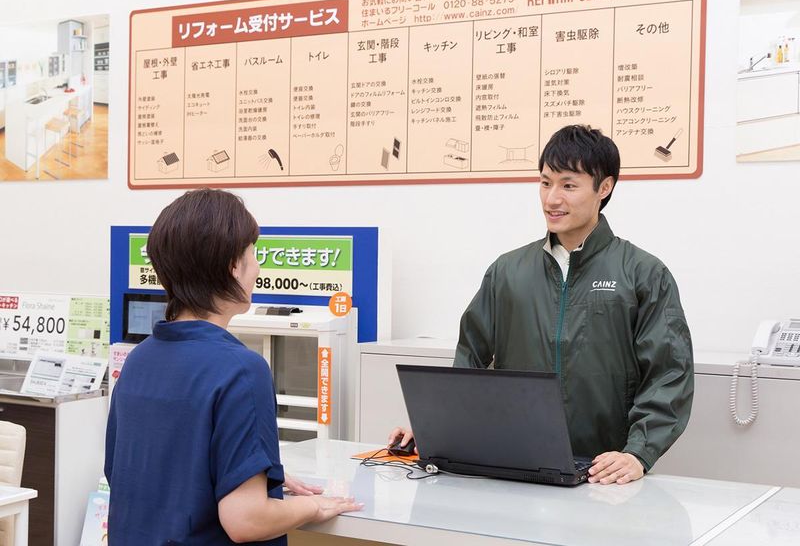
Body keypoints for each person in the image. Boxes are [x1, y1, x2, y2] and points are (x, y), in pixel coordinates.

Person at [390, 125, 694, 485]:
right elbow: (468, 361)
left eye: (568, 185)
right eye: (545, 183)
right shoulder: (508, 272)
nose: (552, 199)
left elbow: (669, 373)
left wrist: (638, 453)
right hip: (516, 464)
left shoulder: (643, 273)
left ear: (604, 187)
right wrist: (436, 427)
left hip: (603, 473)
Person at [105, 189, 361, 545]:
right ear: (232, 266)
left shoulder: (140, 359)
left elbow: (136, 472)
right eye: (252, 253)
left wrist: (252, 474)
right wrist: (311, 506)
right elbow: (246, 520)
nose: (257, 268)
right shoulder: (241, 370)